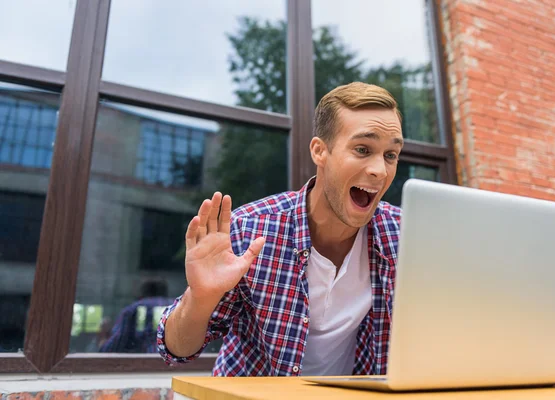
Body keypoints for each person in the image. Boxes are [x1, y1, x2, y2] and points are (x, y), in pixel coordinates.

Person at [157, 82, 404, 376]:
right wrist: (200, 297)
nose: (380, 170)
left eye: (390, 155)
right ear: (320, 151)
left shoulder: (404, 236)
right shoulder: (250, 230)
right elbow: (176, 351)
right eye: (363, 149)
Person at [100, 277, 173, 353]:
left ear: (142, 292)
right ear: (166, 292)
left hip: (146, 362)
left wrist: (102, 338)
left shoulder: (133, 309)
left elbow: (113, 346)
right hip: (178, 362)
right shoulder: (177, 307)